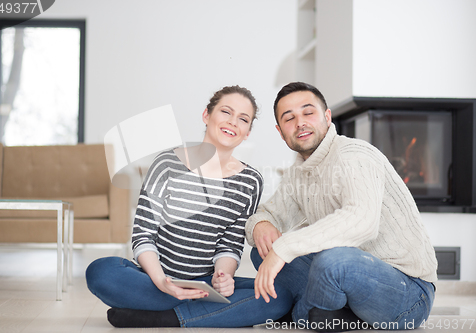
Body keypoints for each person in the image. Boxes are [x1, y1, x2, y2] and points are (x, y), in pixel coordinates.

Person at [86, 85, 292, 328]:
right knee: (100, 271)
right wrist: (162, 281)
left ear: (247, 132)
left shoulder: (250, 181)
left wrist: (223, 277)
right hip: (153, 278)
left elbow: (229, 244)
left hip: (204, 284)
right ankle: (207, 313)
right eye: (226, 112)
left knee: (280, 295)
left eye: (243, 119)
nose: (233, 122)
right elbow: (143, 234)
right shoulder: (167, 164)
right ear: (207, 115)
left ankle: (165, 317)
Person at [246, 82, 437, 332]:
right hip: (348, 274)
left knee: (332, 261)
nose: (300, 123)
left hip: (409, 292)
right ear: (281, 132)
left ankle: (311, 313)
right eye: (289, 118)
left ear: (327, 117)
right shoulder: (299, 173)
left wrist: (285, 248)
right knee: (263, 251)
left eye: (308, 112)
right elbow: (268, 214)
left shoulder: (353, 155)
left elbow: (362, 221)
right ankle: (326, 314)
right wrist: (261, 225)